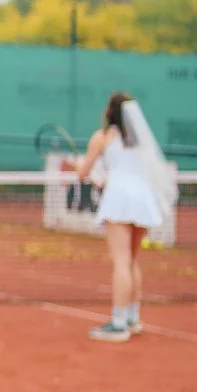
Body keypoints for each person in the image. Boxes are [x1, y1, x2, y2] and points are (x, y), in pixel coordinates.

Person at [71, 91, 174, 341]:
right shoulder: (141, 141)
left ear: (110, 112)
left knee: (121, 261)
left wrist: (76, 164)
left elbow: (83, 173)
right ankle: (132, 318)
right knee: (130, 261)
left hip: (119, 201)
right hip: (142, 200)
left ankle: (118, 324)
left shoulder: (102, 137)